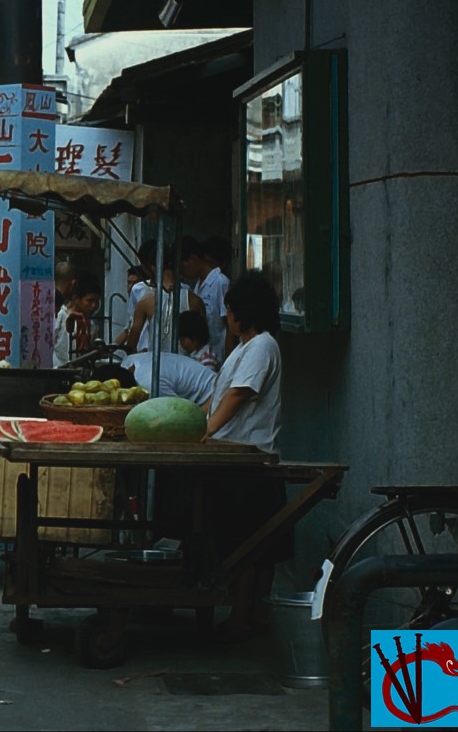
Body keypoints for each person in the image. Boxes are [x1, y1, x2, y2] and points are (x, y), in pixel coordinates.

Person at [202, 270, 285, 641]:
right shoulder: (242, 349)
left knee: (248, 545)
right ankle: (250, 613)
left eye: (229, 312)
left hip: (250, 456)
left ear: (240, 313)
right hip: (231, 454)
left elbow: (237, 397)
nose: (227, 320)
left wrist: (206, 430)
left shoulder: (263, 347)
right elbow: (218, 397)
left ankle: (244, 616)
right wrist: (195, 421)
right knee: (243, 542)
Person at [121, 247, 205, 355]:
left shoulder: (145, 302)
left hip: (155, 366)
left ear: (153, 267)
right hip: (185, 367)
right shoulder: (195, 301)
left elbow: (131, 345)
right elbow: (202, 342)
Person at [183, 235, 233, 363]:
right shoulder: (198, 285)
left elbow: (229, 326)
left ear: (193, 260)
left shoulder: (220, 282)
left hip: (218, 356)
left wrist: (227, 362)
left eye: (183, 266)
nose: (182, 272)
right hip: (202, 357)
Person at [53, 272, 103, 367]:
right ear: (76, 299)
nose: (94, 305)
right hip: (58, 368)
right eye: (89, 300)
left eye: (96, 301)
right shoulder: (61, 315)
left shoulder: (91, 324)